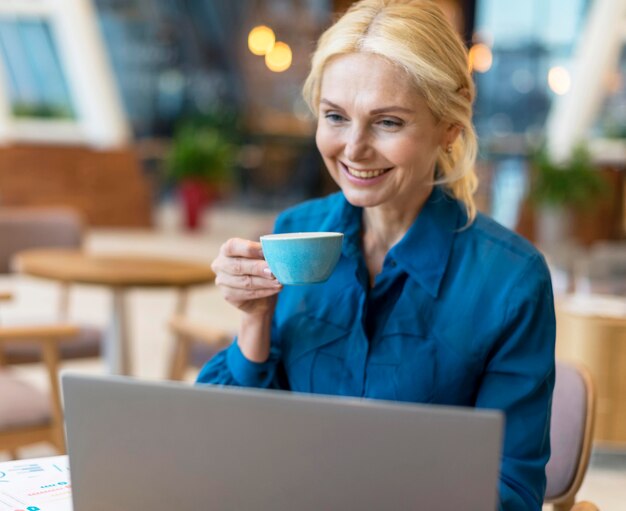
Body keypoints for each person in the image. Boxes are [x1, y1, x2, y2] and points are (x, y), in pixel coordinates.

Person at [197, 1, 555, 509]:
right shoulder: (296, 234)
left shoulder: (510, 282)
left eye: (387, 122)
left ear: (449, 124)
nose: (354, 149)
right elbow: (223, 439)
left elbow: (511, 493)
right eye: (335, 117)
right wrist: (254, 321)